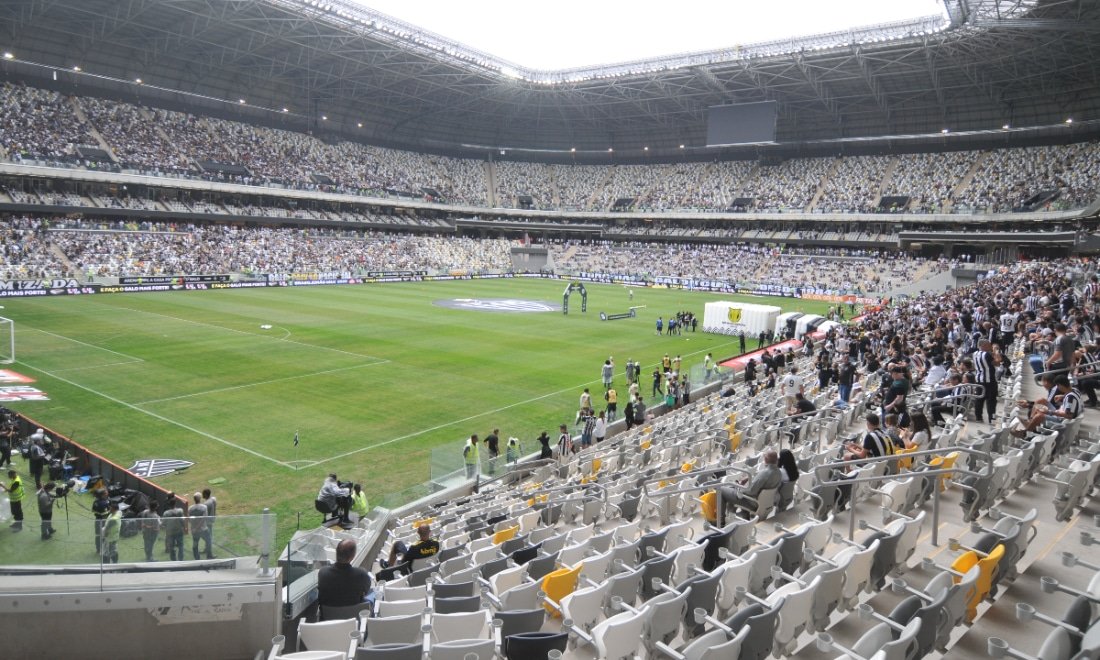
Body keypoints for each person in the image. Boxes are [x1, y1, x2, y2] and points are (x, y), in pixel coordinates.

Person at [717, 450, 782, 519]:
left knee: (720, 490)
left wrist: (740, 488)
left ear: (765, 459)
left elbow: (751, 491)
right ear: (776, 460)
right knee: (732, 487)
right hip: (766, 503)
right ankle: (737, 514)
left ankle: (720, 520)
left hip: (753, 502)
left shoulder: (764, 473)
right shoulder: (778, 473)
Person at [318, 539, 375, 614]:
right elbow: (366, 590)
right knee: (374, 593)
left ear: (336, 553)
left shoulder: (323, 573)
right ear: (352, 557)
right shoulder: (361, 574)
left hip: (329, 618)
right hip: (354, 618)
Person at [189, 491, 213, 560]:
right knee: (209, 541)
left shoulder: (190, 508)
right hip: (203, 529)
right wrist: (198, 527)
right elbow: (204, 518)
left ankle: (197, 559)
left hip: (194, 530)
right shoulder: (204, 507)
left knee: (195, 545)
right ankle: (209, 556)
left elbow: (189, 519)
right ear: (200, 499)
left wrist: (194, 527)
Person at [162, 493, 186, 561]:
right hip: (178, 531)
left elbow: (164, 523)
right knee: (180, 546)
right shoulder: (180, 511)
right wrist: (184, 528)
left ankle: (173, 560)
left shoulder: (166, 513)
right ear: (175, 503)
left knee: (171, 547)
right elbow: (182, 521)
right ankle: (180, 560)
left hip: (170, 531)